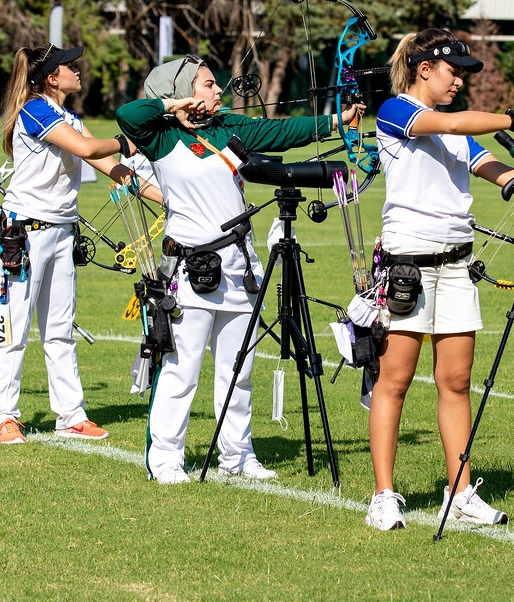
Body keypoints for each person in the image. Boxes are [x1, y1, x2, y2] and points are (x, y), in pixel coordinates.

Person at [363, 29, 514, 533]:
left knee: (457, 381)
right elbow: (450, 121)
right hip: (409, 265)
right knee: (395, 380)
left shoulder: (455, 130)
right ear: (425, 69)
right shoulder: (396, 112)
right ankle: (383, 495)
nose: (459, 82)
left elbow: (501, 172)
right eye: (453, 73)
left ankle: (460, 492)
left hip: (456, 264)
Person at [115, 57, 359, 485]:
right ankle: (166, 457)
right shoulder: (161, 136)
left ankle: (238, 453)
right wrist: (176, 105)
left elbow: (284, 132)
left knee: (239, 367)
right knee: (181, 366)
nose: (218, 92)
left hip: (239, 265)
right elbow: (128, 113)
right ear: (185, 90)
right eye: (208, 85)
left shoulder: (227, 129)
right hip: (191, 266)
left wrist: (338, 120)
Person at [0, 45, 163, 444]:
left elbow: (110, 168)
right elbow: (86, 149)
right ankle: (3, 417)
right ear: (51, 77)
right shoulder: (34, 109)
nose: (77, 70)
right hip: (22, 234)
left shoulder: (69, 116)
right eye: (69, 66)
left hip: (62, 232)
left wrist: (166, 197)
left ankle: (71, 415)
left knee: (59, 329)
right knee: (13, 330)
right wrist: (126, 141)